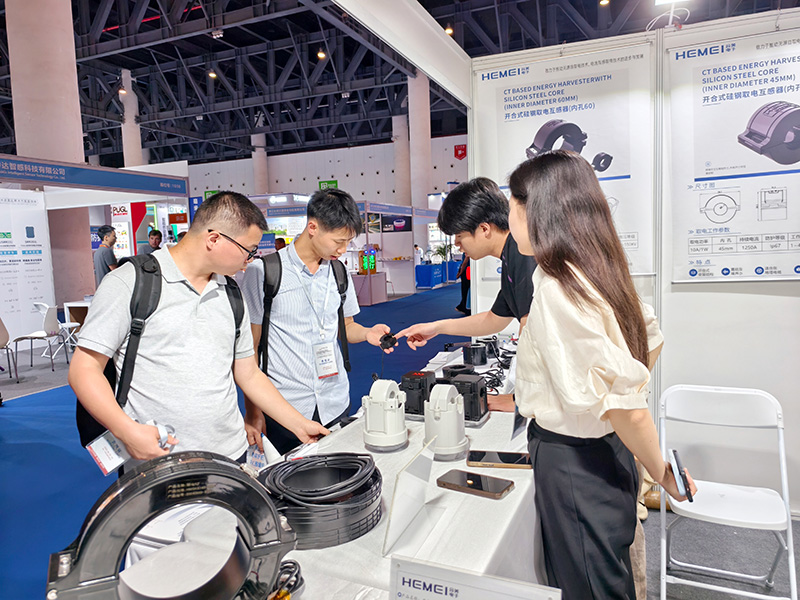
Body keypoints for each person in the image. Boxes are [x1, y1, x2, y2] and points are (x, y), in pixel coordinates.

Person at [506, 150, 696, 599]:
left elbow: (627, 405)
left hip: (575, 464)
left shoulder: (558, 288)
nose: (509, 218)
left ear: (537, 212)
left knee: (589, 586)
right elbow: (649, 341)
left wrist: (662, 472)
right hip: (608, 454)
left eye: (512, 205)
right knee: (608, 575)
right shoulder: (597, 270)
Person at [69, 191, 328, 464]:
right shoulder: (130, 282)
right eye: (248, 250)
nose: (249, 259)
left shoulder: (231, 292)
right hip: (158, 458)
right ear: (214, 239)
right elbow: (84, 369)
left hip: (230, 453)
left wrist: (298, 423)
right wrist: (127, 431)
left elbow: (249, 374)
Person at [240, 188, 394, 455]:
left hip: (335, 401)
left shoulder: (338, 272)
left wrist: (367, 333)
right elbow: (250, 348)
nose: (343, 250)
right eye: (338, 241)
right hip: (285, 407)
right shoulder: (263, 272)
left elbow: (346, 327)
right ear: (313, 227)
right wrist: (253, 410)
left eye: (348, 242)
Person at [396, 177, 537, 411]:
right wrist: (437, 327)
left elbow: (533, 330)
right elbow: (494, 319)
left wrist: (519, 400)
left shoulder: (522, 254)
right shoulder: (511, 255)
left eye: (460, 236)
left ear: (484, 229)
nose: (457, 244)